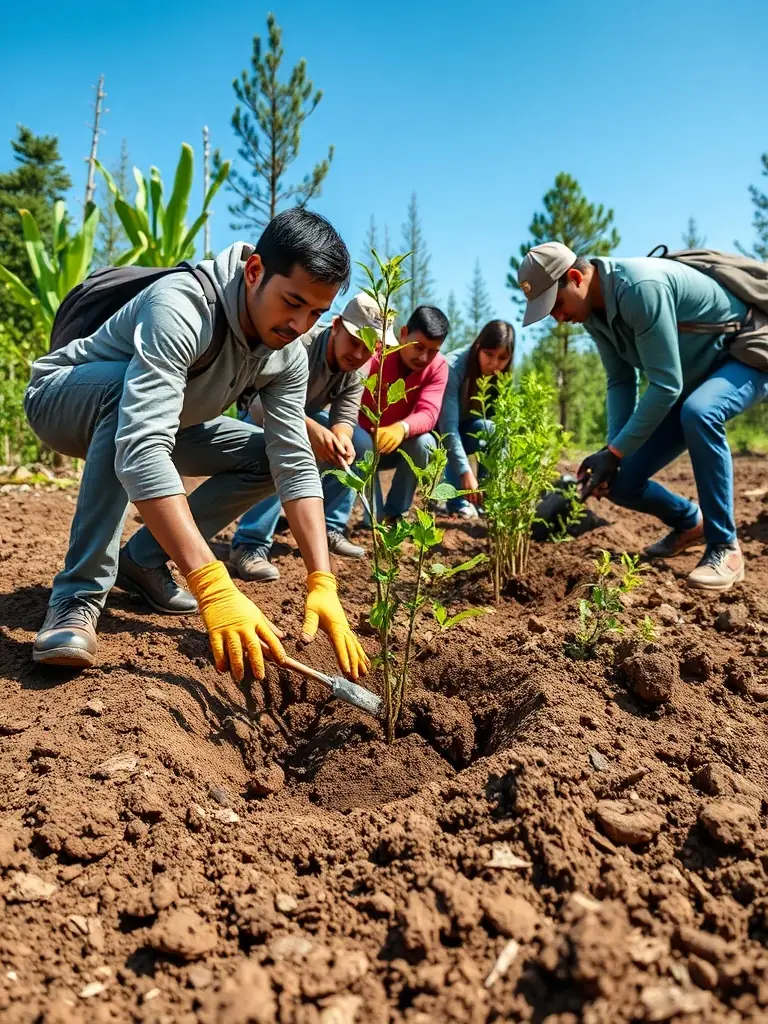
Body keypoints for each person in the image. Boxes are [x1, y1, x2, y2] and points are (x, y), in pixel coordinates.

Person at [24, 208, 369, 682]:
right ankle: (77, 598)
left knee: (265, 458)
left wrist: (321, 577)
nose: (299, 324)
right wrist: (211, 582)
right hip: (63, 399)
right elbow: (142, 446)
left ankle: (143, 562)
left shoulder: (286, 353)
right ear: (254, 272)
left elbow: (292, 457)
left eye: (315, 313)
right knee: (122, 399)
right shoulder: (183, 306)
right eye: (292, 302)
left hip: (169, 420)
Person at [517, 241, 768, 591]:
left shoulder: (640, 288)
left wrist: (615, 453)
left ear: (575, 277)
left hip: (743, 352)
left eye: (556, 305)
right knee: (619, 481)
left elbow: (665, 385)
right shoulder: (592, 313)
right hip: (690, 379)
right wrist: (613, 452)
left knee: (701, 412)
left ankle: (725, 547)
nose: (558, 318)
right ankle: (691, 524)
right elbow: (620, 380)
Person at [228, 292, 386, 582]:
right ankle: (249, 544)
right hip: (261, 413)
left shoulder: (359, 365)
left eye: (369, 348)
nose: (359, 354)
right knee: (282, 445)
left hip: (307, 417)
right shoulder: (299, 343)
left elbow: (345, 416)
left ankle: (330, 528)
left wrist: (341, 438)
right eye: (354, 341)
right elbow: (262, 403)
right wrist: (312, 431)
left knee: (361, 444)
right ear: (336, 325)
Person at [324, 305, 450, 525]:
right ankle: (371, 516)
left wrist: (401, 428)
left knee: (426, 443)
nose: (424, 357)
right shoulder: (375, 353)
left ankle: (395, 514)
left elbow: (429, 412)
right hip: (358, 445)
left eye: (432, 351)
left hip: (395, 447)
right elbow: (347, 404)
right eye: (418, 346)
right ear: (403, 334)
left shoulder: (438, 367)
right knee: (361, 440)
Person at [438, 320, 515, 518]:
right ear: (478, 347)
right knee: (459, 438)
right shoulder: (453, 366)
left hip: (465, 427)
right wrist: (466, 472)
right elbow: (448, 428)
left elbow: (497, 423)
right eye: (489, 354)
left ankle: (487, 502)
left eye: (502, 358)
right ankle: (456, 501)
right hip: (438, 430)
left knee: (495, 431)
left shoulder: (500, 377)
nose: (494, 363)